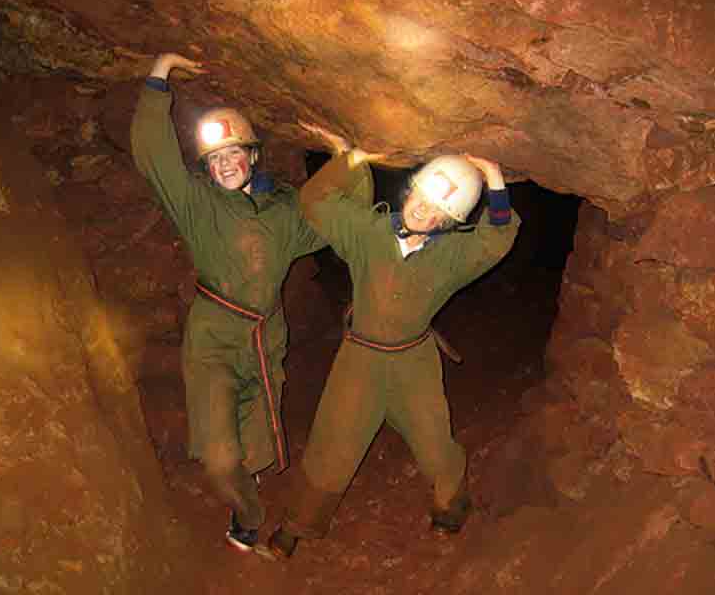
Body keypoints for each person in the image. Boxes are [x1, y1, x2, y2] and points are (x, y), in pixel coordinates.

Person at [130, 54, 373, 553]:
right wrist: (159, 77)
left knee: (256, 445)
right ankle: (247, 510)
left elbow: (336, 215)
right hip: (214, 342)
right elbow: (153, 155)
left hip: (265, 338)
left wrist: (351, 161)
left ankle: (249, 479)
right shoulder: (198, 204)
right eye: (215, 159)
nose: (224, 165)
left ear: (253, 157)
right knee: (220, 461)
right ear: (207, 168)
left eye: (233, 154)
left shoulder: (285, 211)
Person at [267, 124, 521, 559]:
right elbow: (316, 201)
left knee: (435, 443)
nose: (423, 210)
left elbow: (497, 237)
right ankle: (298, 524)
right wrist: (354, 157)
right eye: (421, 198)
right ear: (409, 193)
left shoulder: (452, 257)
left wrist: (494, 180)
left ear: (447, 221)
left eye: (436, 209)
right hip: (360, 358)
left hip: (414, 362)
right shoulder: (368, 232)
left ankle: (451, 507)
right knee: (333, 442)